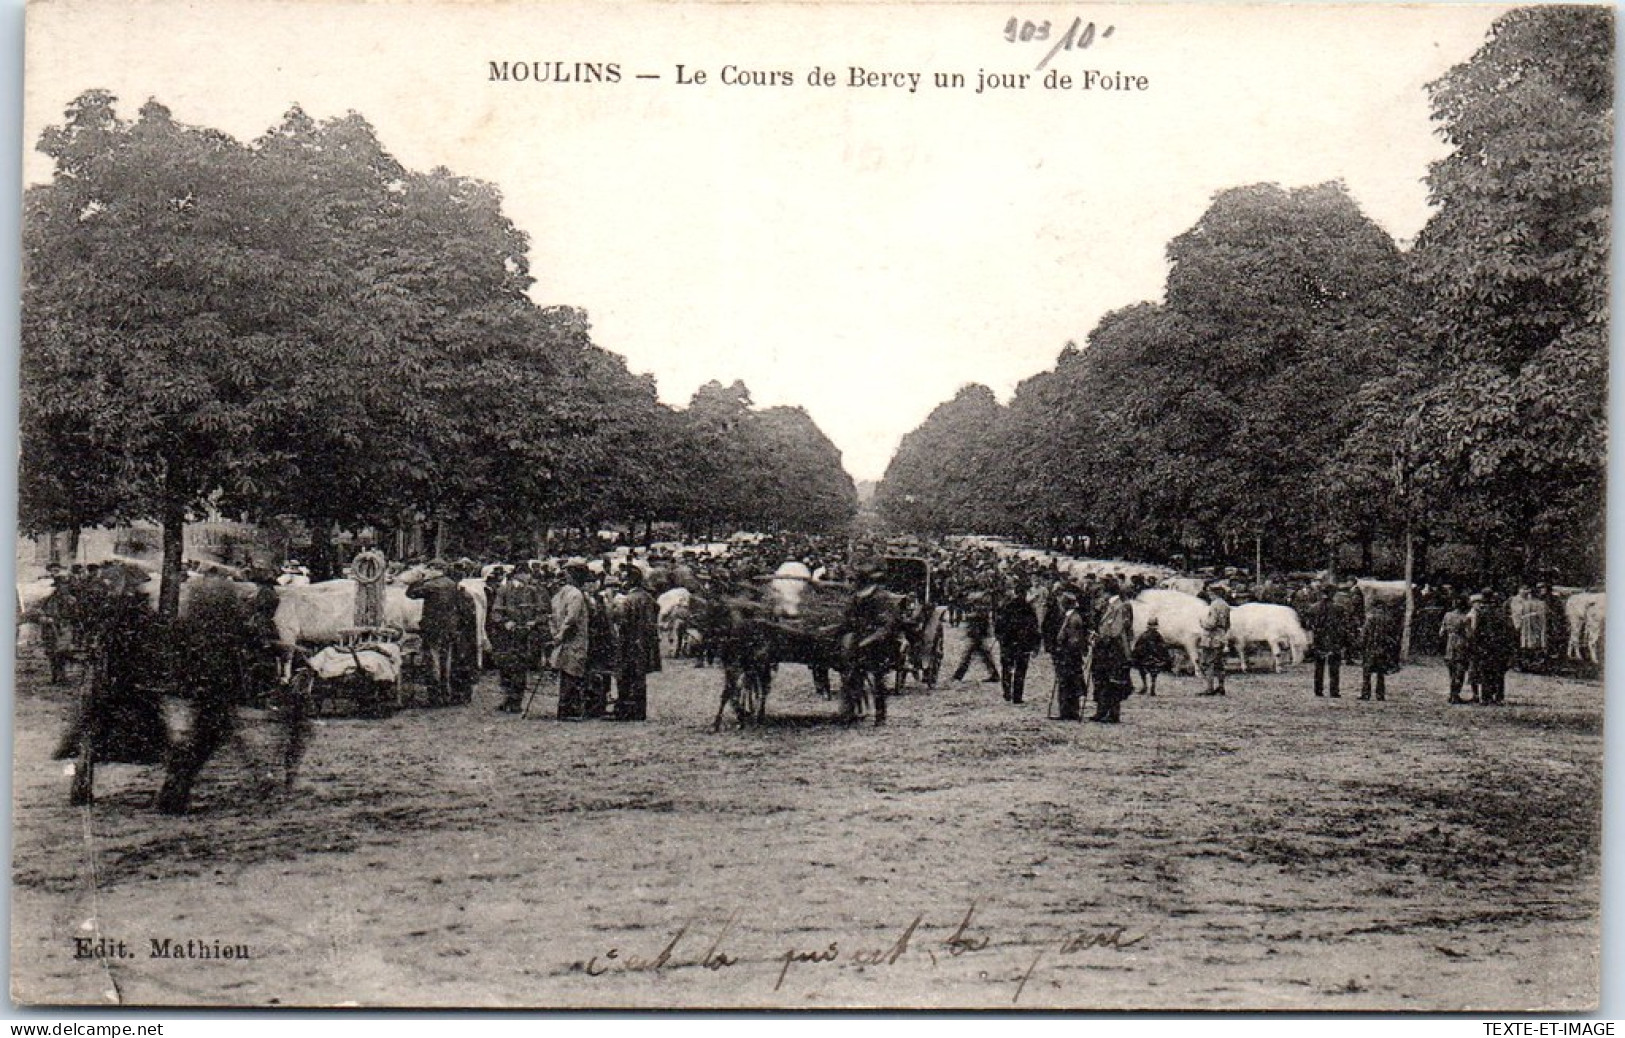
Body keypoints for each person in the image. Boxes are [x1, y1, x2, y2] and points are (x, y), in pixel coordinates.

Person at [844, 563, 902, 725]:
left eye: (854, 580)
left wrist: (870, 640)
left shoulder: (881, 598)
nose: (851, 583)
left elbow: (888, 625)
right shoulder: (856, 598)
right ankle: (851, 712)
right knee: (852, 677)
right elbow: (849, 618)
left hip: (880, 644)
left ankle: (880, 714)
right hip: (859, 640)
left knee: (878, 680)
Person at [490, 565, 546, 713]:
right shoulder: (504, 590)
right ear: (519, 575)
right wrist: (505, 622)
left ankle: (516, 701)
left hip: (525, 635)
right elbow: (495, 612)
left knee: (520, 668)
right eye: (526, 575)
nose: (528, 579)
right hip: (507, 635)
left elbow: (541, 611)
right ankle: (507, 698)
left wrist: (533, 622)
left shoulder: (533, 590)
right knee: (505, 667)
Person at [613, 567, 661, 721]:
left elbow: (622, 621)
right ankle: (639, 710)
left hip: (629, 643)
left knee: (626, 676)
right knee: (640, 678)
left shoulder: (628, 600)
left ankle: (626, 710)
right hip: (644, 643)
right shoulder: (648, 597)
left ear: (631, 580)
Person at [550, 561, 592, 720]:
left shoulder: (561, 593)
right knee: (572, 671)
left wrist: (556, 633)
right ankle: (568, 709)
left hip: (563, 637)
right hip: (574, 637)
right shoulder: (576, 594)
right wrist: (561, 634)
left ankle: (566, 707)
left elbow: (554, 615)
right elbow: (571, 619)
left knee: (567, 669)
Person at [1090, 580, 1134, 722]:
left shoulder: (1119, 607)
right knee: (1102, 679)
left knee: (1112, 681)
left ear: (1107, 592)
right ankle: (1102, 711)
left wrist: (1101, 636)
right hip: (1106, 648)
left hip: (1113, 648)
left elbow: (1116, 631)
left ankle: (1112, 713)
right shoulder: (1111, 606)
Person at [994, 581, 1041, 704]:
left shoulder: (1006, 606)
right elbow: (1034, 627)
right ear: (1025, 593)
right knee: (1020, 670)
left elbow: (998, 624)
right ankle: (1017, 696)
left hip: (1008, 643)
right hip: (1023, 644)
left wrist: (999, 637)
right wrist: (1035, 645)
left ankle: (1007, 691)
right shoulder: (1028, 608)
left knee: (1007, 668)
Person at [1470, 589, 1517, 705]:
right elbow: (1508, 630)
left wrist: (1475, 645)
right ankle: (1499, 696)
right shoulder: (1501, 613)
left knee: (1485, 671)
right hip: (1499, 645)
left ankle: (1486, 697)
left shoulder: (1481, 612)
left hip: (1485, 645)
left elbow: (1476, 631)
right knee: (1499, 672)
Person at [1303, 584, 1349, 699]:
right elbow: (1343, 627)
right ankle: (1334, 691)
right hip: (1334, 640)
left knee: (1319, 667)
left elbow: (1308, 626)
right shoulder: (1339, 608)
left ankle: (1318, 690)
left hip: (1319, 640)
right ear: (1333, 594)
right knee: (1334, 668)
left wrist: (1310, 641)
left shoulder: (1313, 608)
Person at [951, 592, 1000, 684]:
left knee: (968, 657)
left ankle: (958, 675)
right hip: (977, 637)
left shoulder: (981, 611)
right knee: (984, 656)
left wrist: (971, 618)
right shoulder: (980, 610)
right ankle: (994, 674)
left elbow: (981, 621)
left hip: (978, 637)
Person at [1052, 592, 1087, 721]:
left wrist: (1063, 652)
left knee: (1068, 684)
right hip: (1070, 656)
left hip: (1069, 657)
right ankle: (1068, 711)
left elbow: (1074, 640)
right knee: (1069, 683)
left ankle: (1068, 712)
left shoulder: (1073, 619)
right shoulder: (1071, 616)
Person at [1359, 604, 1398, 701]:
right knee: (1381, 673)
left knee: (1367, 673)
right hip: (1382, 650)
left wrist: (1362, 647)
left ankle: (1366, 693)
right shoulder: (1388, 620)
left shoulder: (1370, 620)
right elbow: (1393, 636)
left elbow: (1364, 635)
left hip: (1370, 649)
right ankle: (1380, 694)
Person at [1196, 586, 1231, 696]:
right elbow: (1228, 624)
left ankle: (1209, 688)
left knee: (1208, 663)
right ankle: (1221, 686)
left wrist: (1202, 624)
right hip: (1221, 636)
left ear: (1214, 594)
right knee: (1219, 663)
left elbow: (1212, 623)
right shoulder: (1226, 605)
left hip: (1211, 638)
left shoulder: (1214, 605)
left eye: (1210, 593)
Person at [1440, 595, 1474, 703]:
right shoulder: (1465, 618)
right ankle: (1456, 694)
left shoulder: (1447, 615)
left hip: (1450, 644)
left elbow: (1441, 632)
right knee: (1460, 670)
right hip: (1461, 644)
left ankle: (1452, 694)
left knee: (1452, 670)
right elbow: (1469, 634)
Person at [1130, 617, 1172, 695]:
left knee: (1143, 671)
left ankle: (1146, 686)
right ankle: (1151, 686)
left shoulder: (1144, 635)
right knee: (1153, 673)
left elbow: (1138, 646)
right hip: (1153, 658)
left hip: (1146, 659)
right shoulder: (1157, 635)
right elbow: (1163, 646)